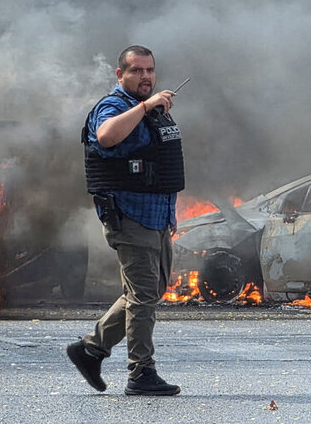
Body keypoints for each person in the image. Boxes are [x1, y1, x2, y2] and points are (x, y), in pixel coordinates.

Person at [68, 45, 183, 396]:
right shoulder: (114, 106)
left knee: (148, 292)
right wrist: (145, 107)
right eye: (136, 70)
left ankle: (91, 349)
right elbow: (106, 136)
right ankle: (141, 372)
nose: (145, 77)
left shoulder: (153, 110)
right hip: (129, 215)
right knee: (143, 295)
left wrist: (170, 213)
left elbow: (160, 164)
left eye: (150, 70)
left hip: (156, 216)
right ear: (120, 74)